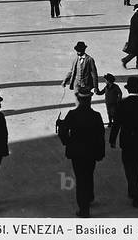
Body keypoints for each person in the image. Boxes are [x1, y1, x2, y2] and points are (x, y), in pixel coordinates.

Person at [57, 86, 106, 218]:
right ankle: (89, 197)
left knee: (80, 178)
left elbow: (62, 132)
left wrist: (67, 142)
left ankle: (83, 209)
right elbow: (101, 135)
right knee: (89, 174)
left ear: (78, 99)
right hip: (91, 152)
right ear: (90, 100)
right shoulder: (96, 115)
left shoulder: (72, 114)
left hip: (77, 152)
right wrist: (101, 153)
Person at [111, 76, 138, 207]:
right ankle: (134, 189)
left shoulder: (122, 104)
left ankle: (133, 189)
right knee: (136, 165)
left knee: (127, 164)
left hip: (126, 140)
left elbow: (116, 124)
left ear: (128, 89)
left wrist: (112, 139)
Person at [121, 5, 138, 69]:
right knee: (135, 52)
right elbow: (137, 29)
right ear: (137, 10)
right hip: (136, 39)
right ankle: (125, 60)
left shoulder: (137, 17)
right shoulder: (135, 18)